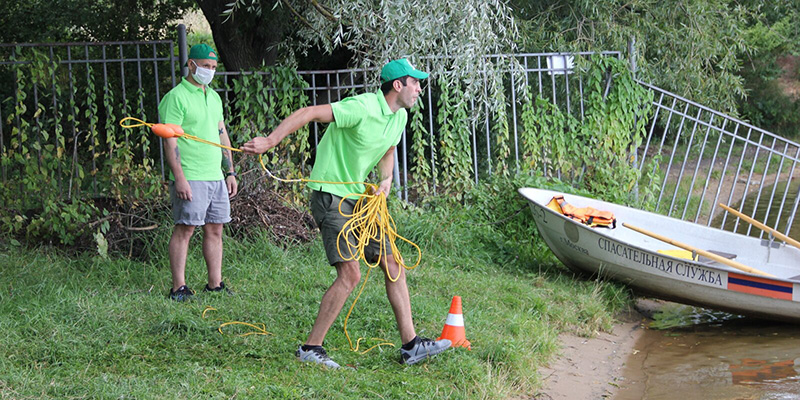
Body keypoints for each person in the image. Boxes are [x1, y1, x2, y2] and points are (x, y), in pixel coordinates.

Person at [242, 58, 451, 367]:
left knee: (393, 263)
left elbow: (389, 149)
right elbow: (309, 113)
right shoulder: (361, 107)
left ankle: (411, 346)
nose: (420, 88)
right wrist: (270, 141)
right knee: (350, 274)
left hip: (361, 201)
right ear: (398, 85)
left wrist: (386, 177)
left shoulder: (400, 118)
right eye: (415, 82)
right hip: (331, 198)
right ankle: (310, 348)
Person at [159, 43, 238, 301]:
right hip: (191, 174)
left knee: (216, 229)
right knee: (186, 229)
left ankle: (215, 283)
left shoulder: (213, 97)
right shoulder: (175, 97)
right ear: (191, 65)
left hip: (215, 176)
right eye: (206, 66)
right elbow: (169, 140)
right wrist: (179, 177)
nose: (210, 71)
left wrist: (230, 171)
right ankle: (178, 287)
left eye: (214, 67)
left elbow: (221, 134)